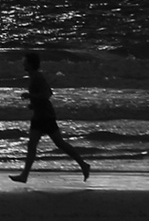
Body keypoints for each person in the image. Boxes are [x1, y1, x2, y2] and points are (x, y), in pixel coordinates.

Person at [10, 52, 90, 183]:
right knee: (33, 145)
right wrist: (33, 104)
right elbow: (43, 95)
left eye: (25, 61)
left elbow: (47, 94)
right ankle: (24, 175)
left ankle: (83, 165)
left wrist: (31, 97)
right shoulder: (34, 76)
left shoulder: (37, 77)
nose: (23, 63)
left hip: (45, 116)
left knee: (59, 143)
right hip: (39, 115)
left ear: (30, 63)